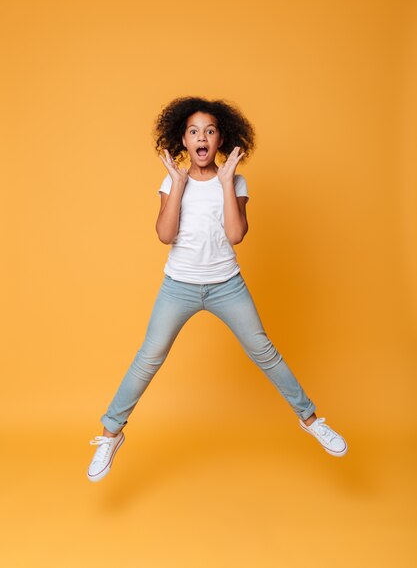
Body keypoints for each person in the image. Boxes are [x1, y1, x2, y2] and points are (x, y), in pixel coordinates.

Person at [87, 96, 347, 482]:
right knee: (149, 356)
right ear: (183, 140)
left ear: (221, 137)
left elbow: (237, 234)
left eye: (209, 130)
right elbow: (164, 234)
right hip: (179, 286)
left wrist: (227, 183)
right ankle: (110, 434)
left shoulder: (236, 180)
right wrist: (177, 184)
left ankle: (310, 419)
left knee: (264, 350)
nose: (201, 136)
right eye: (193, 131)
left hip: (227, 285)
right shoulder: (171, 180)